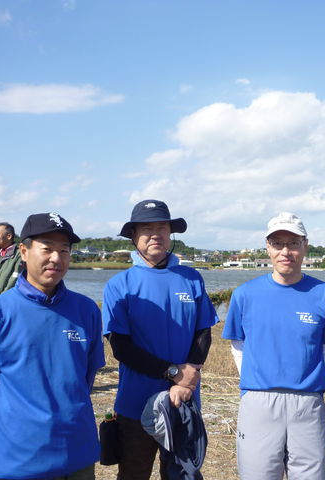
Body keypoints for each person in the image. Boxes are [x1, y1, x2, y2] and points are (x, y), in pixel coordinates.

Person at [0, 212, 105, 479]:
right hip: (18, 458)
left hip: (77, 452)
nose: (56, 258)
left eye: (64, 250)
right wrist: (8, 423)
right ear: (24, 252)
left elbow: (87, 376)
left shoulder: (86, 310)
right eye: (47, 248)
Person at [222, 212, 325, 480]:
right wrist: (257, 381)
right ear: (267, 247)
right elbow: (238, 344)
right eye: (277, 243)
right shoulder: (245, 294)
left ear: (305, 245)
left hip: (308, 402)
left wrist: (302, 376)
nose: (285, 251)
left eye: (293, 243)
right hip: (258, 399)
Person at [102, 199, 218, 480]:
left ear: (171, 234)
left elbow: (203, 332)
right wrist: (174, 373)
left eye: (162, 227)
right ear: (133, 236)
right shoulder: (120, 285)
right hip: (135, 402)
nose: (156, 234)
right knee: (133, 473)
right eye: (147, 228)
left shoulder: (191, 278)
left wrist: (188, 377)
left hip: (184, 401)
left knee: (182, 474)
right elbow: (121, 347)